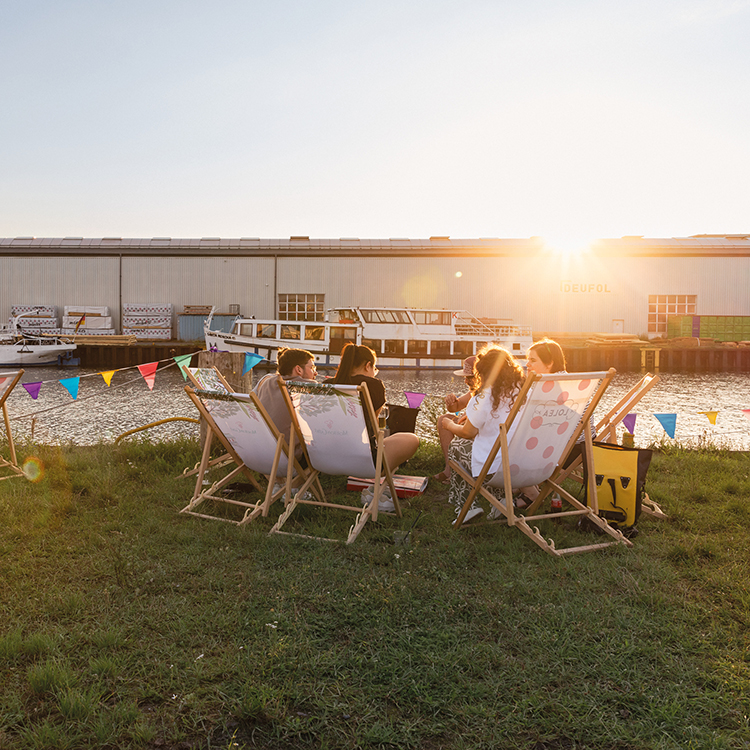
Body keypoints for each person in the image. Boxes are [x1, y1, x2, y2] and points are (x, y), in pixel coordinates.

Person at [443, 345, 525, 524]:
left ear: (483, 373)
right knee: (492, 450)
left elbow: (467, 432)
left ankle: (467, 507)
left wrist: (449, 425)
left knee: (457, 447)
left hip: (497, 468)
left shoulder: (486, 396)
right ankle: (500, 503)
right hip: (524, 465)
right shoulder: (525, 391)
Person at [327, 343, 420, 474]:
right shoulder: (373, 385)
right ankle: (378, 481)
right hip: (363, 459)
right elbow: (374, 425)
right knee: (411, 439)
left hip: (326, 456)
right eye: (374, 368)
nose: (374, 372)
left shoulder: (326, 385)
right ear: (367, 365)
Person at [253, 347, 318, 450]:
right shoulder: (308, 387)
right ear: (298, 369)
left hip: (262, 449)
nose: (315, 373)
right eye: (312, 368)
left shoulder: (266, 382)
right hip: (291, 454)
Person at [433, 356, 477, 484]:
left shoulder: (487, 393)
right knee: (444, 418)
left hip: (478, 434)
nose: (466, 381)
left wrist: (461, 421)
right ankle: (449, 469)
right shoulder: (474, 392)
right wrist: (451, 403)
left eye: (469, 377)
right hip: (470, 428)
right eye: (465, 377)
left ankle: (458, 472)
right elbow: (456, 407)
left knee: (448, 422)